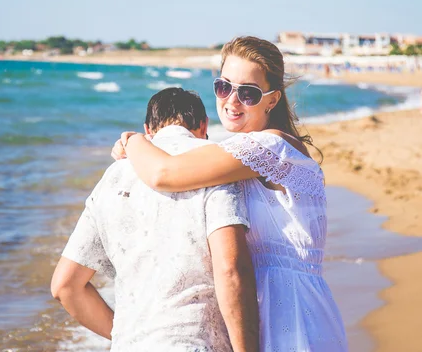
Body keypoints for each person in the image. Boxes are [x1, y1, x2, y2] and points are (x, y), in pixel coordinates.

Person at [112, 36, 348, 352]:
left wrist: (134, 141)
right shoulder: (264, 150)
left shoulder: (270, 147)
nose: (232, 101)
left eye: (248, 93)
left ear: (272, 99)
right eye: (224, 87)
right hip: (284, 306)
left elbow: (163, 174)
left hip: (288, 317)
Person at [51, 87, 259, 352]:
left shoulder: (114, 176)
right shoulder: (214, 163)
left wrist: (128, 337)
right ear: (204, 124)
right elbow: (230, 269)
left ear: (148, 129)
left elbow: (65, 287)